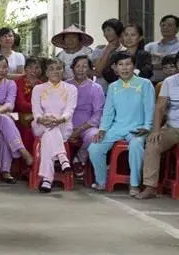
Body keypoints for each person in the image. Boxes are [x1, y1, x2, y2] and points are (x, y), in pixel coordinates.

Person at [89, 52, 154, 195]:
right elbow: (108, 112)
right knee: (94, 148)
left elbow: (150, 108)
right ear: (115, 68)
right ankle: (101, 181)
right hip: (116, 128)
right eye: (120, 65)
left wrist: (147, 127)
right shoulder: (113, 87)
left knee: (136, 145)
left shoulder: (145, 84)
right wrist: (102, 129)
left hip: (138, 128)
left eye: (128, 64)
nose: (124, 68)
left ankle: (135, 184)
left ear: (134, 66)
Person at [31, 59, 77, 193]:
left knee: (48, 136)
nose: (55, 71)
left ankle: (47, 179)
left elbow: (70, 110)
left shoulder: (71, 89)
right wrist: (42, 119)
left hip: (63, 125)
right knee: (49, 129)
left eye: (59, 68)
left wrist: (59, 119)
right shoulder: (38, 89)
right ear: (46, 72)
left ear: (63, 70)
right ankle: (62, 157)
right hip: (41, 124)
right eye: (51, 68)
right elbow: (36, 111)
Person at [0, 56, 33, 182]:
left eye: (4, 67)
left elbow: (10, 104)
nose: (1, 70)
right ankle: (22, 151)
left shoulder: (10, 84)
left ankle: (5, 171)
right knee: (6, 120)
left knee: (4, 126)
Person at [138, 69, 179, 199]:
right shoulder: (169, 82)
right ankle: (150, 187)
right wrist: (156, 130)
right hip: (172, 128)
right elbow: (159, 107)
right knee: (152, 143)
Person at [67, 56, 104, 176]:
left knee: (94, 136)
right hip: (65, 123)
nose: (81, 69)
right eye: (77, 66)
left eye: (84, 66)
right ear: (72, 68)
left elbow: (98, 113)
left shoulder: (96, 88)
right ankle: (59, 163)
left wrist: (79, 130)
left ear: (89, 69)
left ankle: (79, 158)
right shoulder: (65, 85)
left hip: (87, 126)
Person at [15, 57, 42, 156]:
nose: (33, 71)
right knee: (26, 129)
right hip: (19, 116)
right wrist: (37, 108)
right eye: (30, 67)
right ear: (25, 69)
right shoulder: (18, 83)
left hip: (36, 115)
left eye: (37, 68)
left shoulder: (41, 84)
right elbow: (21, 104)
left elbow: (45, 104)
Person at [91, 18, 124, 92]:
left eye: (109, 30)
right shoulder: (99, 50)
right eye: (104, 31)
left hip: (120, 89)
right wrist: (107, 51)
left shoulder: (124, 50)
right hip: (102, 89)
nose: (106, 33)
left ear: (117, 30)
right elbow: (98, 71)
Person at [145, 15, 179, 83]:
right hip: (151, 82)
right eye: (163, 25)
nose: (165, 28)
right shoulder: (149, 46)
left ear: (177, 29)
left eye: (169, 25)